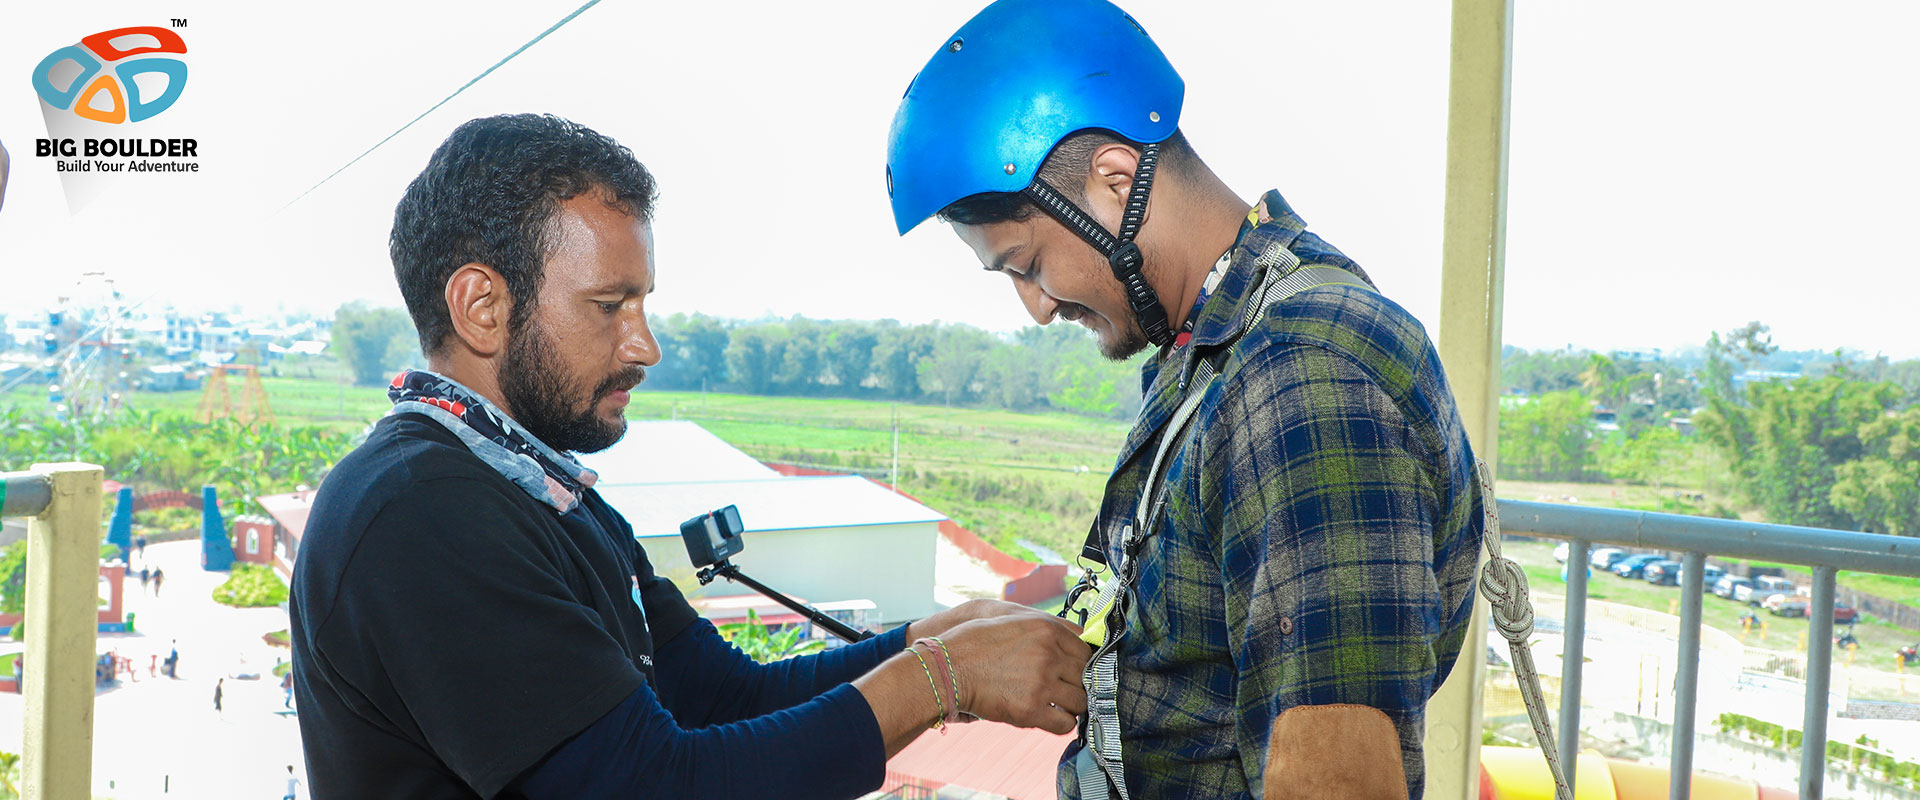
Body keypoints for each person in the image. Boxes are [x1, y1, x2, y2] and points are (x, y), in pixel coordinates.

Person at [289, 114, 1091, 800]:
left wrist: (934, 636)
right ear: (483, 307)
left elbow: (719, 697)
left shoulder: (543, 491)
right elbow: (654, 784)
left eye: (642, 304)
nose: (646, 345)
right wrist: (943, 678)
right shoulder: (420, 513)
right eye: (610, 306)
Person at [885, 2, 1486, 798]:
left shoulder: (1302, 377)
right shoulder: (1210, 343)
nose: (1036, 308)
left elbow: (1335, 782)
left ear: (1114, 181)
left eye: (1027, 264)